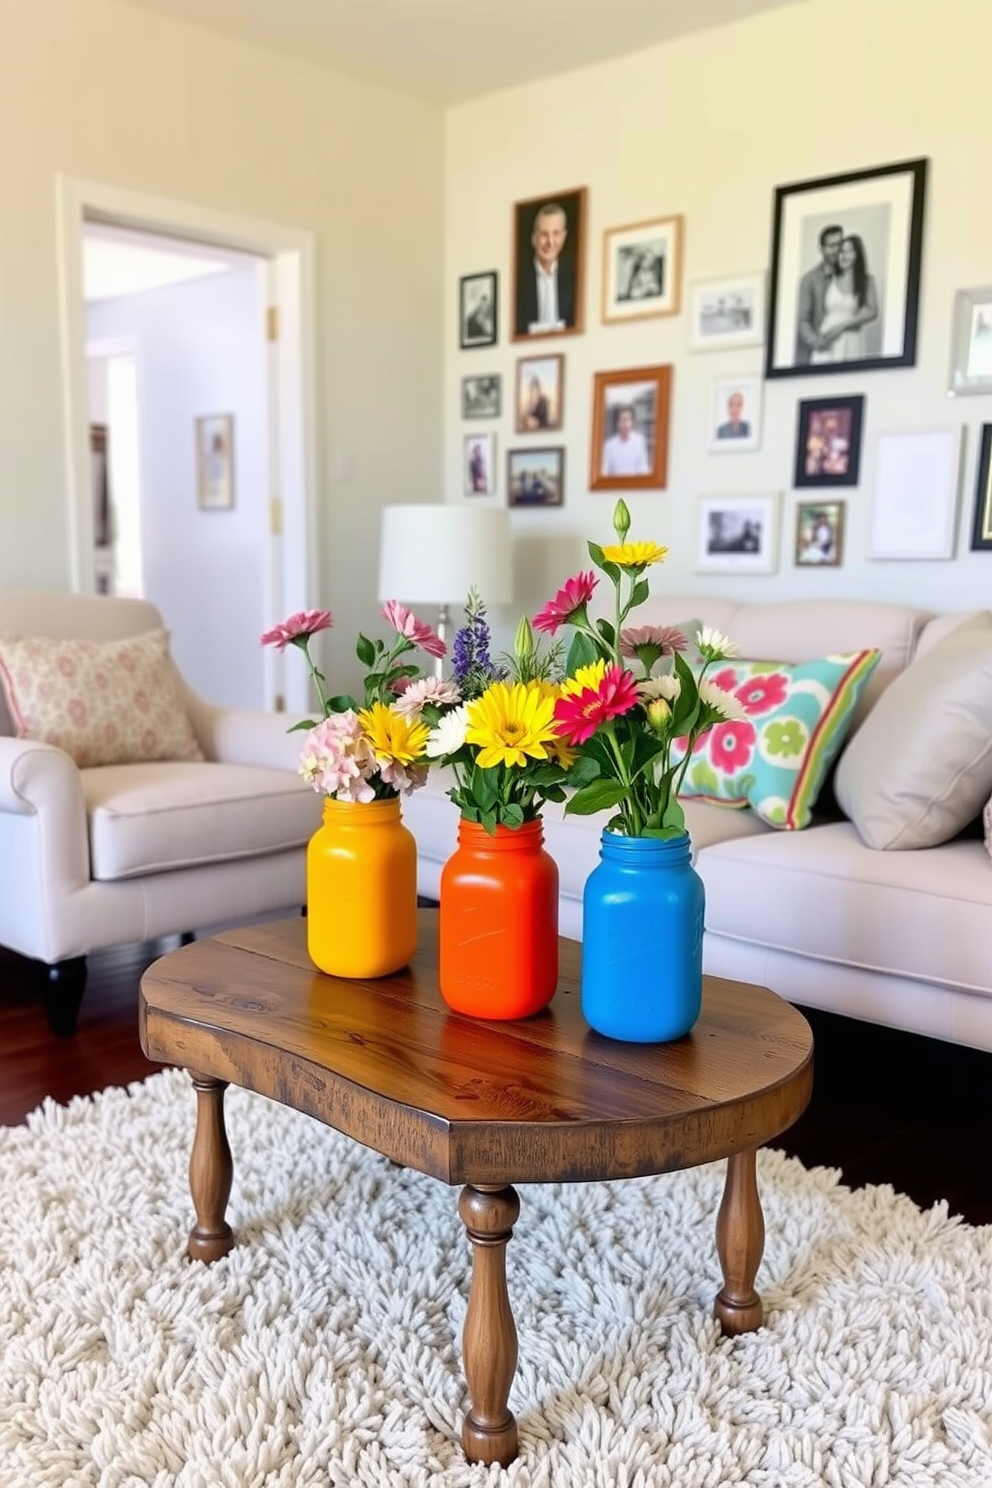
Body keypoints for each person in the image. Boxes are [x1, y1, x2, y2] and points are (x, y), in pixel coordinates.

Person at [810, 234, 879, 364]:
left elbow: (872, 311)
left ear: (857, 254)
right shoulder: (829, 279)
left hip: (852, 337)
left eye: (849, 251)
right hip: (827, 337)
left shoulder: (867, 281)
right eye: (842, 251)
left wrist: (841, 327)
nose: (844, 255)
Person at [515, 201, 576, 336]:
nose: (550, 241)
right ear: (533, 239)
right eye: (544, 234)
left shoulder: (575, 277)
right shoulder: (518, 281)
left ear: (564, 237)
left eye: (556, 234)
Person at [602, 405, 649, 477]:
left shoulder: (639, 441)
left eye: (628, 419)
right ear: (617, 423)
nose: (626, 424)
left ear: (632, 422)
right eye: (622, 420)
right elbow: (604, 472)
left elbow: (643, 469)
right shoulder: (609, 446)